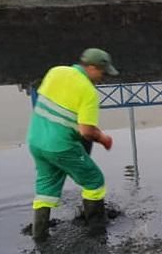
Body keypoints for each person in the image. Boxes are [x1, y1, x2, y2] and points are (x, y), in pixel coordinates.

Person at [27, 48, 118, 241]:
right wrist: (103, 138)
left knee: (46, 188)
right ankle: (97, 233)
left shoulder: (56, 71)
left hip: (36, 141)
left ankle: (39, 235)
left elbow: (58, 106)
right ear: (92, 68)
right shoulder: (88, 91)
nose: (102, 78)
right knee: (94, 181)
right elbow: (86, 131)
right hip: (62, 147)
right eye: (102, 72)